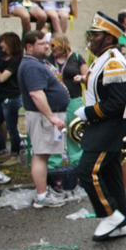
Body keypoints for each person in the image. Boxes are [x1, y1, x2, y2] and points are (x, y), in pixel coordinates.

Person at [75, 12, 126, 241]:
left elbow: (116, 103)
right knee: (110, 174)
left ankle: (111, 215)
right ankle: (121, 223)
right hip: (104, 124)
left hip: (111, 125)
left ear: (109, 38)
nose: (91, 38)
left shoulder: (112, 61)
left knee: (87, 171)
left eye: (96, 34)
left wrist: (88, 112)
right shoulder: (103, 57)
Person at [17, 31, 70, 208]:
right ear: (29, 47)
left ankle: (44, 191)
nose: (47, 46)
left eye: (47, 43)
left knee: (44, 155)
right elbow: (36, 94)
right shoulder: (32, 66)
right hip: (42, 117)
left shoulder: (38, 63)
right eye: (42, 44)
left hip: (46, 116)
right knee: (40, 155)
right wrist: (51, 117)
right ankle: (42, 196)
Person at [46, 33, 88, 168]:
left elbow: (87, 76)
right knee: (56, 132)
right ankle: (54, 163)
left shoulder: (76, 58)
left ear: (61, 44)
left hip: (74, 99)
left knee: (74, 130)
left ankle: (76, 161)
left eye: (53, 45)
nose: (51, 48)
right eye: (49, 45)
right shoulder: (48, 60)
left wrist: (81, 78)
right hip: (55, 102)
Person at [0, 32, 24, 166]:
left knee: (12, 127)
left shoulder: (16, 60)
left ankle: (15, 154)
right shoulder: (4, 58)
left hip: (11, 98)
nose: (0, 44)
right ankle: (2, 151)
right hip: (2, 97)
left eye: (2, 42)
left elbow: (2, 78)